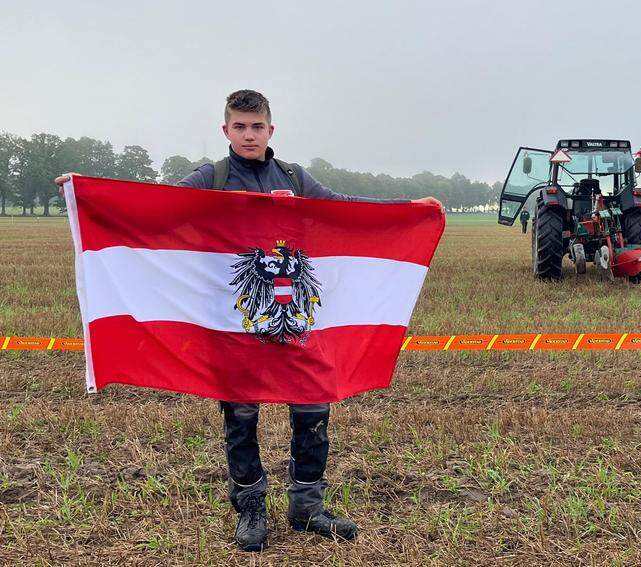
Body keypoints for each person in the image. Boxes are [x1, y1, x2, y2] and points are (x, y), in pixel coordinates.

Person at [55, 89, 442, 553]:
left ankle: (306, 506)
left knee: (313, 405)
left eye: (257, 126)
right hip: (233, 323)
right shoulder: (212, 178)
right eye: (239, 126)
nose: (248, 134)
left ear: (271, 130)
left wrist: (407, 209)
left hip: (295, 319)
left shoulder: (296, 178)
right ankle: (251, 506)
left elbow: (344, 208)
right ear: (226, 130)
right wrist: (90, 193)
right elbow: (156, 206)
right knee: (241, 413)